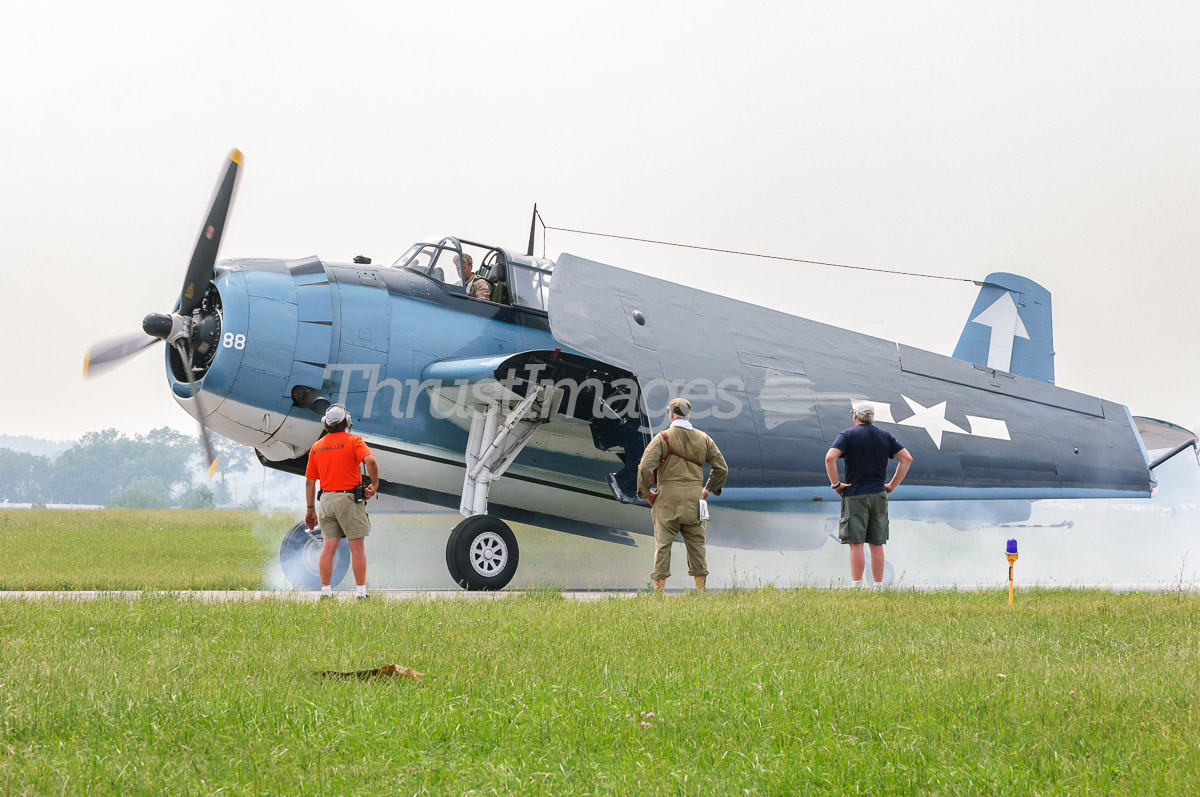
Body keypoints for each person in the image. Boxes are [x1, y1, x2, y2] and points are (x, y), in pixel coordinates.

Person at [636, 397, 729, 594]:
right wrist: (708, 490)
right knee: (697, 546)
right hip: (696, 501)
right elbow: (721, 468)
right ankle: (701, 592)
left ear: (670, 415)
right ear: (688, 415)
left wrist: (646, 493)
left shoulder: (663, 438)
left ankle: (659, 594)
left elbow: (645, 467)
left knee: (663, 546)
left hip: (667, 501)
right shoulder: (704, 439)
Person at [824, 403, 913, 589]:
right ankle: (878, 586)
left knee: (856, 543)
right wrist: (892, 486)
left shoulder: (847, 435)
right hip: (879, 495)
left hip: (855, 494)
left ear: (855, 415)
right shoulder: (885, 435)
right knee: (876, 543)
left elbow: (830, 457)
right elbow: (906, 459)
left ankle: (856, 585)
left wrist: (836, 484)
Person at [304, 404, 380, 599]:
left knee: (328, 546)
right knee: (357, 547)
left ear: (325, 424)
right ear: (347, 422)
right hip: (348, 499)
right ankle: (361, 594)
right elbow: (370, 461)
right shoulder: (354, 440)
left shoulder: (316, 446)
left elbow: (310, 482)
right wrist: (375, 484)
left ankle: (326, 593)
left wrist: (310, 509)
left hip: (326, 499)